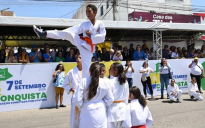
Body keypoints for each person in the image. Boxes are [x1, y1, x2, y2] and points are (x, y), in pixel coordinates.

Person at [33, 4, 106, 78]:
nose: (87, 14)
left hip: (88, 49)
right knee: (67, 34)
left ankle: (85, 88)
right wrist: (61, 32)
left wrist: (91, 36)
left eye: (89, 12)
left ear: (95, 12)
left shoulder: (100, 24)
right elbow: (73, 29)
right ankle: (44, 33)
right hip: (81, 42)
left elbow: (102, 37)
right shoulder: (84, 24)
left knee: (86, 72)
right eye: (86, 12)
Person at [73, 62, 114, 128]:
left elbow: (77, 100)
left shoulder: (83, 81)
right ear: (100, 71)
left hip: (86, 111)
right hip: (101, 111)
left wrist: (82, 105)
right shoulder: (105, 82)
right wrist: (101, 102)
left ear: (89, 70)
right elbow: (110, 99)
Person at [63, 54, 82, 128]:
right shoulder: (71, 71)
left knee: (85, 117)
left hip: (86, 97)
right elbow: (65, 84)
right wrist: (71, 89)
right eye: (77, 57)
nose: (78, 59)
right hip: (76, 97)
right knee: (75, 118)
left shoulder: (88, 71)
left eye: (80, 58)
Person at [107, 63, 129, 128]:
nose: (109, 69)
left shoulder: (110, 82)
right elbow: (126, 96)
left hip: (112, 109)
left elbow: (109, 98)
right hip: (122, 108)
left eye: (110, 68)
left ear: (116, 70)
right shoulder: (125, 81)